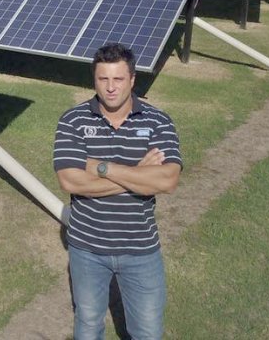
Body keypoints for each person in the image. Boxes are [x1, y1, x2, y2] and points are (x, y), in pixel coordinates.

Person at [53, 43, 182, 340]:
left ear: (133, 80)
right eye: (103, 79)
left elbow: (168, 181)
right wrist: (139, 172)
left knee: (147, 332)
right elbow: (71, 182)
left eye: (118, 79)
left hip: (141, 249)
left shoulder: (157, 121)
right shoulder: (72, 121)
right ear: (94, 80)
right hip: (87, 249)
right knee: (87, 325)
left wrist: (102, 167)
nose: (110, 88)